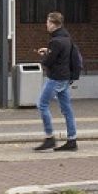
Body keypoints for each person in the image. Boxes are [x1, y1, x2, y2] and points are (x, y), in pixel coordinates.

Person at [33, 11, 81, 152]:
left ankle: (49, 138)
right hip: (66, 78)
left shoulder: (55, 41)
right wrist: (49, 51)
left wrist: (44, 56)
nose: (46, 25)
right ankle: (72, 140)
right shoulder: (67, 38)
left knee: (42, 104)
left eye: (48, 22)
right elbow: (62, 56)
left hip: (56, 78)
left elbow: (49, 61)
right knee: (67, 110)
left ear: (54, 24)